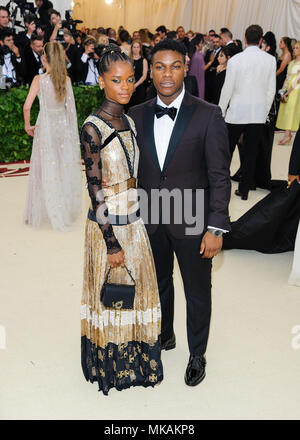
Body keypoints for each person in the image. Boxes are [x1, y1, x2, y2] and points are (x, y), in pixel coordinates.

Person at [128, 39, 231, 387]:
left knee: (197, 290)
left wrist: (216, 227)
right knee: (158, 285)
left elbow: (219, 176)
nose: (167, 74)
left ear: (186, 67)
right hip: (150, 219)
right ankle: (165, 335)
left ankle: (197, 353)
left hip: (192, 219)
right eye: (159, 66)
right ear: (150, 71)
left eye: (174, 66)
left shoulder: (208, 114)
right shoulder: (136, 115)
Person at [80, 44, 163, 395]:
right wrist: (110, 242)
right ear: (101, 81)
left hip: (134, 219)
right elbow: (94, 189)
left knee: (138, 290)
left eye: (130, 80)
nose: (125, 87)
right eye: (116, 80)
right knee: (113, 293)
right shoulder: (92, 128)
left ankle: (136, 359)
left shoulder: (128, 120)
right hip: (108, 225)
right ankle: (111, 366)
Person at [23, 41, 82, 231]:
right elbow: (71, 111)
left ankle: (36, 212)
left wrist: (27, 125)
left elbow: (26, 106)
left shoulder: (38, 80)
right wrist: (73, 136)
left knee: (43, 168)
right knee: (62, 166)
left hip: (45, 128)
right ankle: (63, 208)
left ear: (44, 58)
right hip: (63, 128)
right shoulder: (66, 80)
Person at [219, 24, 276, 200]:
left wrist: (220, 110)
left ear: (244, 39)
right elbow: (271, 91)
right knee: (251, 153)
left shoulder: (235, 60)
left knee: (226, 153)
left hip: (236, 112)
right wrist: (264, 112)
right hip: (257, 114)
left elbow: (227, 89)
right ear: (260, 40)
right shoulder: (270, 60)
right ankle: (244, 191)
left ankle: (221, 189)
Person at [276, 41, 300, 145]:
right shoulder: (291, 62)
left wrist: (289, 91)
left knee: (291, 111)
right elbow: (287, 77)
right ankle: (287, 133)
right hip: (288, 87)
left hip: (296, 90)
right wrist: (283, 90)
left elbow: (298, 80)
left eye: (297, 48)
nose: (294, 50)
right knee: (285, 110)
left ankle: (287, 134)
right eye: (294, 48)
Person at [127, 39, 148, 107]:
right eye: (134, 47)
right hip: (128, 86)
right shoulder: (127, 60)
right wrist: (130, 85)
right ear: (131, 48)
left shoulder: (144, 60)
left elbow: (144, 76)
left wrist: (135, 85)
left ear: (140, 48)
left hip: (139, 87)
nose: (136, 49)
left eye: (137, 47)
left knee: (139, 107)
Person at [188, 33, 205, 99]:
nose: (202, 45)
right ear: (198, 44)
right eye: (201, 43)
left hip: (192, 81)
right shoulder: (199, 56)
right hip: (199, 80)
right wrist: (210, 62)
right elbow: (203, 69)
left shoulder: (192, 54)